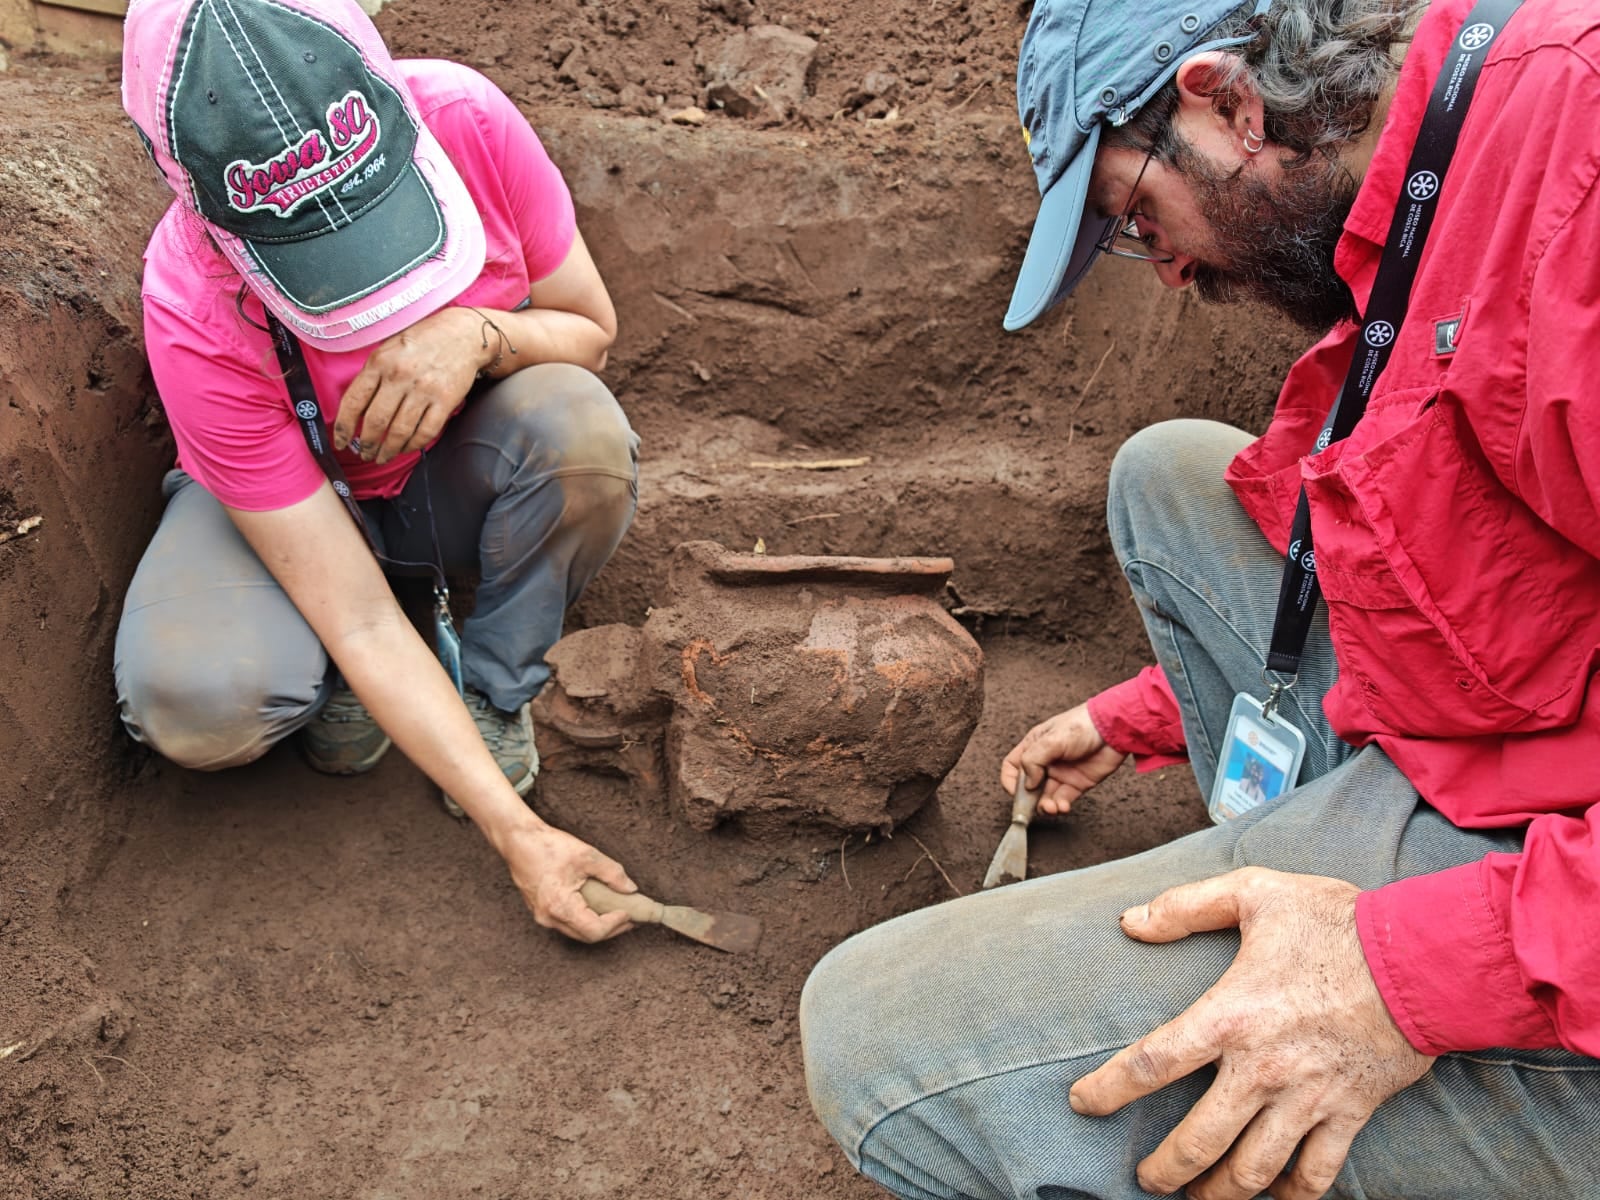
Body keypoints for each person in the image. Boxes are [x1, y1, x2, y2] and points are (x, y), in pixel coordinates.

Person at [801, 0, 1600, 1197]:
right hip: (1534, 759)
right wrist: (1138, 715)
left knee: (876, 1044)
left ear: (1225, 101)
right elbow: (1470, 562)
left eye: (1133, 217)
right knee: (1170, 475)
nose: (1166, 270)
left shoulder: (1570, 180)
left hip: (1556, 913)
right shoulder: (1444, 167)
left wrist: (1404, 972)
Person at [115, 0, 642, 943]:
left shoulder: (467, 118)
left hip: (443, 475)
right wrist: (518, 835)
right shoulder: (194, 300)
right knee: (199, 703)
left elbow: (589, 331)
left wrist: (483, 333)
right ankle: (334, 663)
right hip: (294, 518)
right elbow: (349, 610)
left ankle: (490, 686)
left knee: (576, 427)